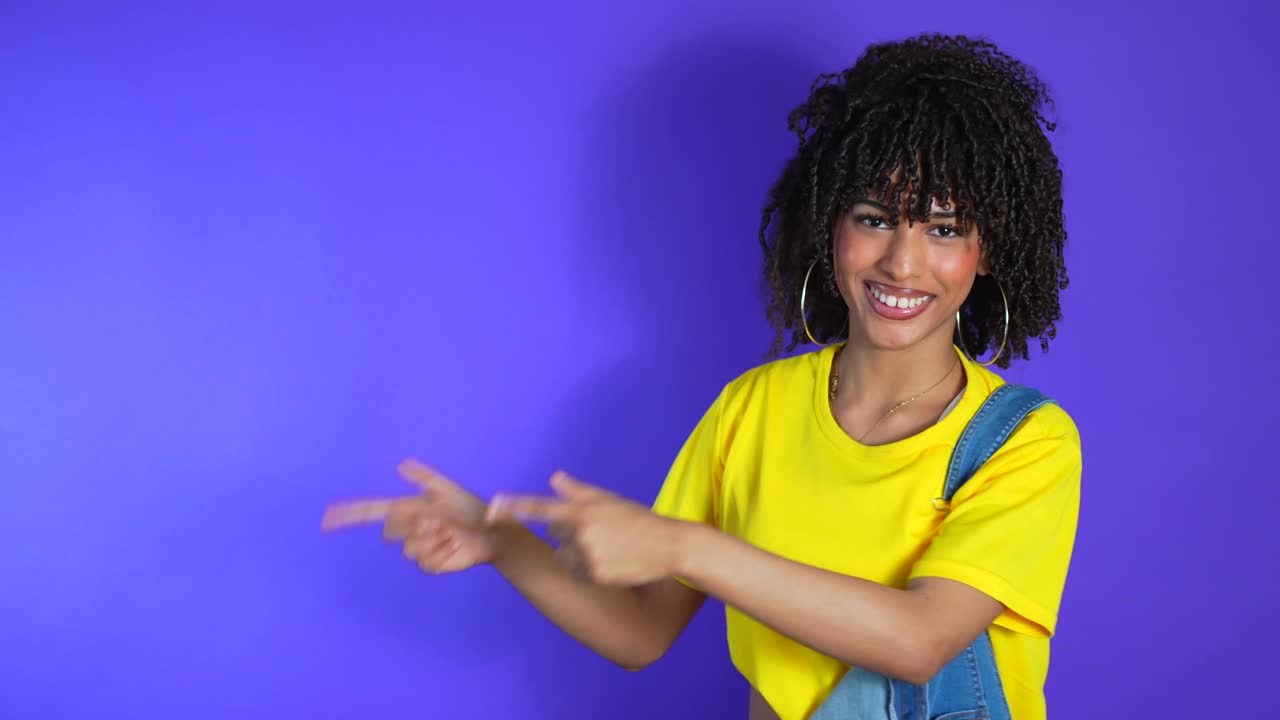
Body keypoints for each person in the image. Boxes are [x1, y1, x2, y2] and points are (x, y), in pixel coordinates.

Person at [323, 32, 1081, 720]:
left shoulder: (1027, 443)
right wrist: (502, 545)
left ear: (988, 252)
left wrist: (685, 546)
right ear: (831, 225)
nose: (902, 263)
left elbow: (920, 641)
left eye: (944, 228)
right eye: (875, 217)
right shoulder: (753, 410)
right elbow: (643, 630)